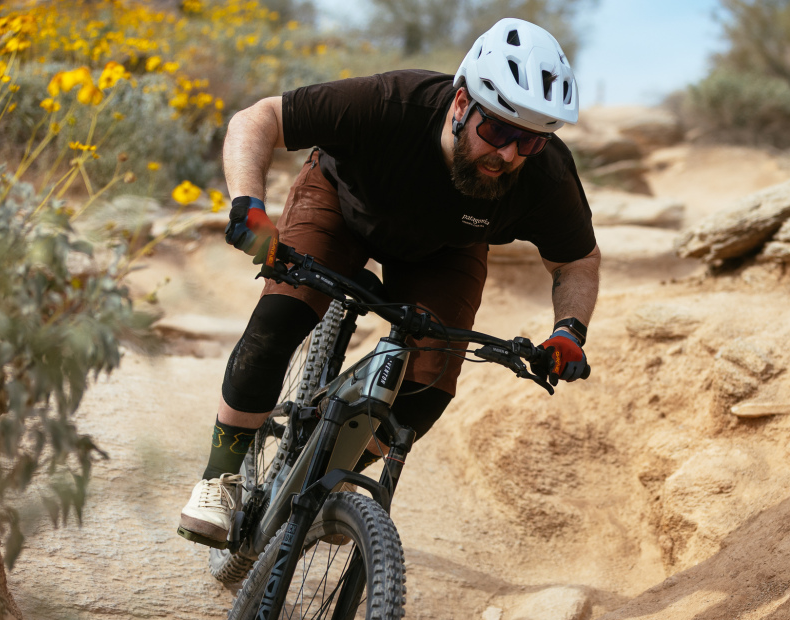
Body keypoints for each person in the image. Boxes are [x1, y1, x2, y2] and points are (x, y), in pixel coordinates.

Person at [177, 18, 598, 548]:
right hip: (340, 204)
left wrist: (569, 331)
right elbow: (257, 119)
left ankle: (322, 478)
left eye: (530, 143)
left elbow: (577, 261)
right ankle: (220, 477)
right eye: (497, 132)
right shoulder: (388, 103)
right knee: (278, 322)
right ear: (461, 103)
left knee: (428, 389)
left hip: (444, 249)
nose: (510, 155)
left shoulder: (544, 174)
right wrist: (249, 204)